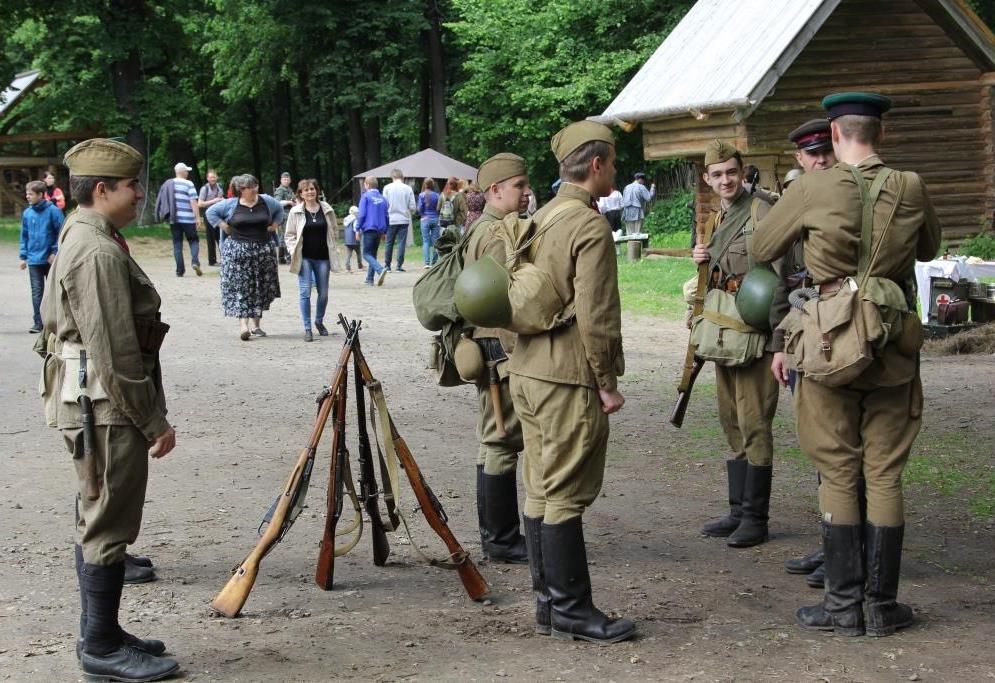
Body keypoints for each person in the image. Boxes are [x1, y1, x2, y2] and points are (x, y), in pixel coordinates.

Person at [753, 92, 941, 637]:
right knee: (883, 473)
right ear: (881, 134)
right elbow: (929, 249)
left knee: (837, 469)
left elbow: (763, 247)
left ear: (834, 135)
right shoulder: (910, 185)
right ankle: (881, 607)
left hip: (829, 341)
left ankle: (842, 608)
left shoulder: (811, 187)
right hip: (892, 339)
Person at [36, 138, 179, 681]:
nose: (139, 194)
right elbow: (115, 350)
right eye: (132, 185)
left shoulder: (83, 231)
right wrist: (152, 420)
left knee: (98, 514)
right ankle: (99, 647)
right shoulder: (95, 250)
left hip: (92, 400)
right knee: (107, 522)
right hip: (104, 405)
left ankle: (104, 633)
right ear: (102, 189)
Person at [510, 121, 634, 644]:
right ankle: (572, 611)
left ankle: (548, 604)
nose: (615, 171)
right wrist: (606, 381)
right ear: (597, 165)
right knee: (563, 492)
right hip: (565, 377)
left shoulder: (539, 217)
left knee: (540, 487)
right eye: (613, 163)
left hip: (526, 370)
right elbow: (596, 315)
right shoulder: (589, 225)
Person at [693, 140, 780, 548]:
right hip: (724, 333)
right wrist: (702, 260)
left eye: (732, 172)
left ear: (743, 172)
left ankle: (756, 519)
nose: (725, 180)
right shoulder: (715, 218)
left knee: (754, 423)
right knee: (731, 420)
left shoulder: (762, 211)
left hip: (755, 335)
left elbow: (783, 275)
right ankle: (738, 511)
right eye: (717, 174)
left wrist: (780, 340)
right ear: (707, 179)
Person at [461, 153, 532, 565]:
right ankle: (502, 540)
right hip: (499, 348)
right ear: (495, 190)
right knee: (502, 440)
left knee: (493, 440)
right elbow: (506, 299)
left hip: (486, 346)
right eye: (519, 186)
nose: (526, 192)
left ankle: (497, 537)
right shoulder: (496, 233)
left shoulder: (480, 227)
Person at [776, 118, 838, 591]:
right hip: (803, 337)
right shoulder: (794, 203)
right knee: (820, 446)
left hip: (841, 337)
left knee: (843, 448)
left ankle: (848, 553)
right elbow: (780, 279)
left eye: (825, 152)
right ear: (800, 158)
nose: (820, 160)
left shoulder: (852, 200)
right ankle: (834, 541)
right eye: (811, 154)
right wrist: (781, 345)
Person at [206, 174, 284, 340]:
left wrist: (275, 225)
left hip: (263, 253)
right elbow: (210, 212)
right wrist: (223, 225)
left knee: (259, 287)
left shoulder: (266, 201)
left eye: (255, 186)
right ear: (241, 190)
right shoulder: (231, 204)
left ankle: (257, 326)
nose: (253, 190)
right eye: (249, 187)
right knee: (242, 288)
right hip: (237, 253)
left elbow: (279, 210)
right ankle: (243, 326)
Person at [284, 179, 341, 342]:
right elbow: (289, 235)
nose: (310, 192)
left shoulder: (327, 209)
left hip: (323, 257)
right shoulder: (295, 212)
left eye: (312, 189)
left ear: (317, 191)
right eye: (306, 190)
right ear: (300, 194)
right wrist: (292, 250)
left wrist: (333, 245)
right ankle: (307, 328)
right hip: (304, 257)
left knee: (323, 293)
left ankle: (319, 321)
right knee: (305, 291)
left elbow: (334, 230)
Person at [20, 180, 64, 333]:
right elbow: (24, 236)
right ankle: (38, 323)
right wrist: (23, 256)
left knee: (54, 292)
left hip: (50, 259)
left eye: (30, 194)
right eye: (27, 194)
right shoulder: (27, 213)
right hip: (33, 260)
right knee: (37, 292)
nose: (27, 196)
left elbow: (61, 233)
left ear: (40, 195)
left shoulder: (54, 211)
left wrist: (54, 252)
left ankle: (56, 322)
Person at [155, 162, 203, 277]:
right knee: (193, 240)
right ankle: (195, 262)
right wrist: (197, 218)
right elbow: (193, 202)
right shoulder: (189, 184)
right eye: (187, 171)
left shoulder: (168, 184)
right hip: (188, 219)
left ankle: (179, 271)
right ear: (183, 172)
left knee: (177, 244)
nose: (187, 173)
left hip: (174, 219)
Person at [356, 175, 389, 286]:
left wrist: (357, 228)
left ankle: (380, 269)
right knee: (372, 254)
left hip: (369, 229)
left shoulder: (365, 197)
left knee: (366, 254)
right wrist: (385, 232)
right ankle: (369, 279)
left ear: (367, 185)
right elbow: (386, 216)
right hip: (380, 230)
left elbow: (362, 214)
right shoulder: (383, 199)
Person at [382, 169, 416, 272]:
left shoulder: (387, 188)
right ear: (402, 177)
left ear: (392, 177)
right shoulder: (408, 188)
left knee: (389, 243)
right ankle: (399, 266)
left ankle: (387, 266)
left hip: (390, 219)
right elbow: (412, 206)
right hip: (404, 219)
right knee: (401, 243)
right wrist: (410, 212)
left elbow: (384, 205)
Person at [198, 169, 225, 266]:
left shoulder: (220, 187)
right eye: (211, 177)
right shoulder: (204, 189)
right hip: (208, 213)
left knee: (221, 236)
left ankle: (224, 258)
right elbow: (200, 203)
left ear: (217, 177)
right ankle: (212, 261)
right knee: (211, 237)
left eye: (214, 177)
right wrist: (215, 200)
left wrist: (223, 200)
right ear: (207, 179)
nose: (213, 179)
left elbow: (221, 199)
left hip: (219, 213)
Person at [272, 172, 295, 264]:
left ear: (290, 180)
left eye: (287, 179)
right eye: (284, 179)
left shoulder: (289, 189)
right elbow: (277, 202)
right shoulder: (280, 190)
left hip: (290, 215)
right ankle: (286, 257)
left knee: (286, 235)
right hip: (283, 215)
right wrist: (288, 202)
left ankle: (282, 258)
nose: (286, 181)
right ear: (281, 180)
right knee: (285, 236)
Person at [417, 178, 440, 267]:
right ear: (432, 185)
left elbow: (419, 208)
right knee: (435, 241)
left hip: (425, 220)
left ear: (424, 184)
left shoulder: (421, 195)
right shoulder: (437, 195)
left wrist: (422, 215)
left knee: (426, 241)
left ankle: (427, 263)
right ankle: (434, 262)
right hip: (435, 219)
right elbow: (439, 208)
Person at [342, 205, 362, 272]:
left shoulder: (346, 219)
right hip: (355, 239)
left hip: (347, 240)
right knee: (358, 253)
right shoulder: (355, 219)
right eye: (357, 212)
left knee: (348, 254)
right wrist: (359, 234)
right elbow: (355, 229)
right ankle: (360, 266)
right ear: (355, 212)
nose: (358, 214)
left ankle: (347, 267)